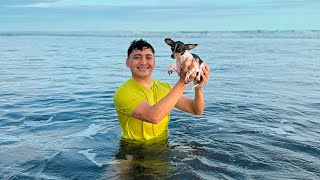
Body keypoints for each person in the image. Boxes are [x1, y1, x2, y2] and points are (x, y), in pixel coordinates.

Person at [113, 39, 210, 142]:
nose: (143, 62)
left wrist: (198, 89)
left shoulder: (165, 88)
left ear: (154, 62)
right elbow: (153, 117)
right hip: (134, 151)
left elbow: (196, 110)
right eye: (137, 57)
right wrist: (183, 81)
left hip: (163, 147)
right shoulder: (123, 92)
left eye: (148, 57)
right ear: (127, 62)